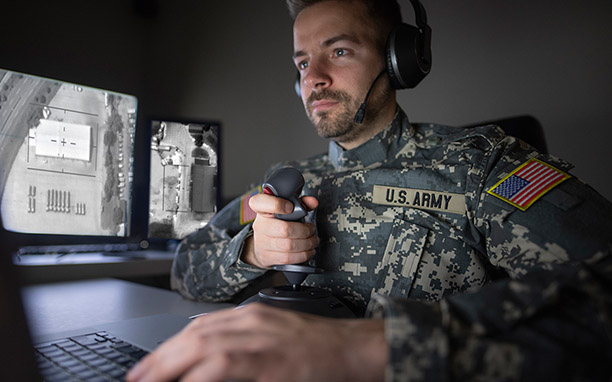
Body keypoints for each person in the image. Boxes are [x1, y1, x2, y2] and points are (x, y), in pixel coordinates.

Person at [127, 0, 612, 381]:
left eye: (338, 51)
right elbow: (185, 267)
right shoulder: (288, 180)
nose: (313, 78)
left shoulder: (478, 165)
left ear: (400, 59)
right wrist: (251, 253)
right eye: (302, 63)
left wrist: (372, 347)